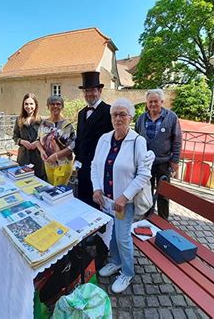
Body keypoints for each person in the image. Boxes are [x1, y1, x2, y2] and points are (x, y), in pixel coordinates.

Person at [91, 98, 151, 293]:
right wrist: (96, 189)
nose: (118, 118)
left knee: (123, 237)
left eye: (122, 114)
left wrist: (124, 198)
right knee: (112, 232)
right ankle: (115, 261)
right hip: (107, 199)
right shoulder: (104, 138)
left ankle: (128, 272)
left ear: (130, 117)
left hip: (124, 201)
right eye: (115, 114)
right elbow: (94, 165)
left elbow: (143, 174)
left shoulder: (137, 141)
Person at [135, 89, 182, 219]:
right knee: (145, 192)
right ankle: (146, 218)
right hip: (146, 164)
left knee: (163, 194)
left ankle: (163, 220)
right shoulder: (141, 118)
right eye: (150, 102)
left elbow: (177, 140)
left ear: (162, 102)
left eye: (156, 101)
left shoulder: (171, 117)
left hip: (164, 163)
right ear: (147, 103)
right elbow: (136, 139)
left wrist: (175, 161)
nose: (153, 104)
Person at [74, 71, 113, 208]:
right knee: (82, 201)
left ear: (100, 90)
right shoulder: (81, 113)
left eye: (92, 90)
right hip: (83, 166)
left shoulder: (109, 111)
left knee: (98, 203)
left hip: (100, 167)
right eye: (86, 91)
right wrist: (77, 160)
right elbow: (79, 139)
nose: (89, 94)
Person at [36, 95, 76, 186]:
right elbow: (37, 140)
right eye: (52, 104)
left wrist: (56, 156)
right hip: (48, 163)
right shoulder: (44, 123)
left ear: (62, 106)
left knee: (58, 192)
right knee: (51, 188)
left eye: (58, 104)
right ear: (48, 106)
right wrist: (42, 151)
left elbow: (72, 147)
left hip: (63, 164)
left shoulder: (67, 125)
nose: (55, 106)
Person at [13, 93, 46, 180]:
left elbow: (45, 138)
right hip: (23, 157)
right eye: (26, 104)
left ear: (35, 105)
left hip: (38, 157)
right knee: (23, 180)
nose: (28, 106)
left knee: (38, 181)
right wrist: (22, 141)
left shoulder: (42, 121)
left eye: (31, 104)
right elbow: (15, 136)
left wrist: (37, 142)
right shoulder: (19, 119)